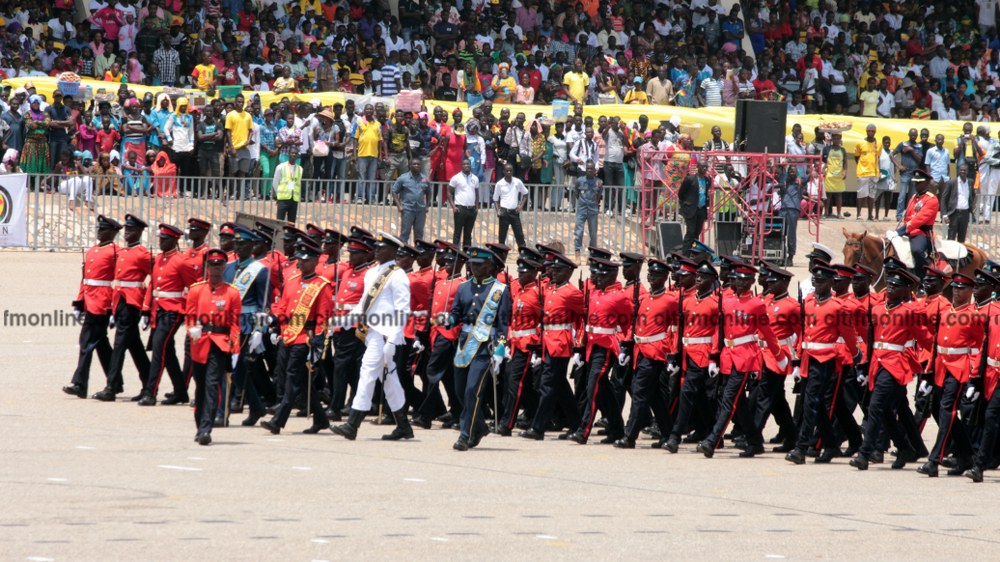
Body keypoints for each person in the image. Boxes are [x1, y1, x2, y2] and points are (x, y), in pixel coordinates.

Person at [331, 232, 414, 441]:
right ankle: (403, 425)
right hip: (372, 332)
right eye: (376, 247)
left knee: (367, 372)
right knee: (389, 380)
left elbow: (402, 310)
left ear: (394, 251)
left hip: (386, 334)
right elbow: (363, 306)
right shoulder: (371, 273)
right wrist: (342, 322)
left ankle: (352, 424)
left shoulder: (398, 275)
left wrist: (394, 340)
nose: (377, 250)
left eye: (382, 247)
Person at [698, 261, 786, 458]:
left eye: (745, 279)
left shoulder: (756, 304)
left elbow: (767, 332)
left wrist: (779, 356)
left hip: (745, 356)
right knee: (740, 403)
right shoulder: (727, 301)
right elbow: (719, 330)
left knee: (729, 399)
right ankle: (754, 442)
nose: (740, 283)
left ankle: (712, 440)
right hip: (728, 356)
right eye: (737, 279)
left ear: (752, 281)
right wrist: (714, 356)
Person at [849, 268, 931, 470]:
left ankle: (865, 453)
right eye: (890, 284)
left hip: (896, 364)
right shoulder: (877, 310)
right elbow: (871, 338)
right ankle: (905, 448)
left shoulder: (909, 313)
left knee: (875, 407)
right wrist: (865, 365)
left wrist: (935, 361)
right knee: (886, 411)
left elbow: (926, 339)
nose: (892, 288)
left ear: (906, 290)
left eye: (897, 285)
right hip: (878, 363)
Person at [784, 264, 860, 465]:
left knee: (811, 403)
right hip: (809, 358)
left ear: (830, 283)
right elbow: (803, 331)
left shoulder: (837, 307)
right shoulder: (809, 303)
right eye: (815, 280)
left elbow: (849, 335)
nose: (816, 284)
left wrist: (855, 356)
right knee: (815, 405)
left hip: (825, 359)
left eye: (821, 281)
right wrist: (798, 357)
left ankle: (801, 448)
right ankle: (831, 444)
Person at [918, 272, 986, 477]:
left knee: (947, 408)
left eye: (962, 288)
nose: (957, 291)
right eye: (954, 288)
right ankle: (966, 455)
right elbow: (936, 343)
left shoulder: (974, 315)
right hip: (941, 367)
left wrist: (975, 376)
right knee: (941, 411)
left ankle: (934, 459)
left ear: (971, 291)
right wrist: (929, 373)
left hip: (960, 367)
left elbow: (980, 346)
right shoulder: (946, 312)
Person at [447, 246, 511, 450]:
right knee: (459, 391)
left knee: (472, 390)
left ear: (490, 266)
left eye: (479, 264)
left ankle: (465, 435)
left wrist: (501, 349)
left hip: (485, 347)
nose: (474, 267)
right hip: (465, 344)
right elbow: (456, 312)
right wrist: (448, 319)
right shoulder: (464, 287)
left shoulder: (500, 290)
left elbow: (502, 323)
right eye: (471, 264)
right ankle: (480, 426)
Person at [520, 251, 583, 440]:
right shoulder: (551, 289)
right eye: (553, 269)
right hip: (548, 341)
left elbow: (583, 316)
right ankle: (576, 424)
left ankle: (538, 428)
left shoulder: (572, 292)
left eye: (558, 270)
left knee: (547, 385)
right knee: (559, 386)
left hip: (560, 342)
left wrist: (579, 342)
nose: (553, 273)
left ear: (568, 272)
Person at [571, 256, 631, 444]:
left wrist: (625, 345)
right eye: (597, 275)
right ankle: (617, 429)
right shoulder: (594, 294)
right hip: (591, 344)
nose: (598, 279)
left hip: (606, 345)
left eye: (603, 276)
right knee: (603, 389)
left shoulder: (620, 296)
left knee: (594, 387)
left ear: (613, 276)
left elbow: (629, 322)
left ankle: (584, 430)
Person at [185, 249, 241, 445]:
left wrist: (235, 349)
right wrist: (191, 328)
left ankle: (206, 429)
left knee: (211, 386)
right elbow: (190, 315)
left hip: (219, 343)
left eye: (219, 266)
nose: (216, 269)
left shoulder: (232, 292)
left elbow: (234, 323)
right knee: (200, 387)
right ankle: (199, 424)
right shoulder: (196, 289)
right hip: (199, 343)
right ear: (207, 267)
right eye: (212, 265)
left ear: (224, 268)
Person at [94, 214, 151, 401]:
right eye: (126, 229)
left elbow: (157, 277)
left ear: (140, 232)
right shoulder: (124, 252)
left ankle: (111, 386)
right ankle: (149, 384)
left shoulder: (143, 253)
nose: (127, 233)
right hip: (120, 301)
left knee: (119, 345)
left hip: (132, 303)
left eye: (131, 230)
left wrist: (147, 304)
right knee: (135, 347)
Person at [62, 215, 119, 399]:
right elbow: (85, 280)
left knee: (86, 342)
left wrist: (113, 309)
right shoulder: (93, 251)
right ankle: (115, 382)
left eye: (103, 229)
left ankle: (80, 383)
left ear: (112, 232)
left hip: (102, 302)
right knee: (101, 345)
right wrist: (79, 302)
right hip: (90, 300)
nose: (99, 232)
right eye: (99, 229)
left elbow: (118, 282)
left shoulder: (115, 252)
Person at [223, 227, 271, 428]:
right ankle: (256, 406)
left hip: (247, 323)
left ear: (251, 246)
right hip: (228, 322)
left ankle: (226, 408)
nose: (238, 247)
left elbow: (264, 304)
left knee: (238, 366)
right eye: (236, 243)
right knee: (235, 367)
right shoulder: (228, 267)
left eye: (242, 243)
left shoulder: (260, 270)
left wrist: (259, 330)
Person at [137, 224, 188, 406]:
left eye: (165, 239)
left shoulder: (181, 261)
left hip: (173, 310)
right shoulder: (158, 259)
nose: (161, 242)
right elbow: (152, 285)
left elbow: (193, 286)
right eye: (160, 238)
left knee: (159, 349)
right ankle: (181, 391)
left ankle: (151, 392)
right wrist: (146, 309)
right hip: (158, 309)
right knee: (168, 351)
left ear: (175, 241)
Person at [498, 253, 543, 436]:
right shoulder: (521, 292)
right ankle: (531, 414)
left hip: (528, 344)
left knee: (515, 382)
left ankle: (507, 423)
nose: (520, 275)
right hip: (516, 342)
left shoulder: (536, 294)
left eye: (524, 273)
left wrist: (538, 347)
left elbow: (544, 321)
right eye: (520, 272)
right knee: (513, 381)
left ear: (533, 274)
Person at [891, 172, 939, 279]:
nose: (916, 185)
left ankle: (922, 279)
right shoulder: (913, 197)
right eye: (915, 183)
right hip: (908, 231)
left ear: (926, 183)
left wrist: (899, 232)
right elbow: (907, 217)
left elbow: (919, 220)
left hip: (921, 233)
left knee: (917, 250)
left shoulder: (931, 199)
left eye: (919, 183)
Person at [391, 159, 430, 244]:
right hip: (407, 209)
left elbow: (428, 193)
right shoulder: (403, 178)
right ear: (410, 166)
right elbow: (394, 191)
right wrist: (399, 206)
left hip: (420, 210)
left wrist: (427, 206)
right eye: (414, 164)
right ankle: (404, 253)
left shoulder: (424, 179)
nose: (416, 166)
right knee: (405, 233)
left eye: (418, 164)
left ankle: (418, 252)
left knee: (419, 234)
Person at [493, 162, 528, 249]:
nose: (509, 172)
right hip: (504, 212)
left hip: (514, 212)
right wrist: (498, 211)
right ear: (504, 172)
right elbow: (495, 199)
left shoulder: (517, 182)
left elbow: (525, 194)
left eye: (510, 171)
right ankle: (501, 257)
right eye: (507, 171)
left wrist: (520, 206)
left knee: (519, 235)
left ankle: (523, 255)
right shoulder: (499, 184)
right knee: (502, 237)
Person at [892, 128, 924, 223]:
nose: (913, 137)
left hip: (914, 174)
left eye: (915, 135)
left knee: (912, 197)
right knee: (902, 196)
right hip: (905, 173)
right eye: (912, 135)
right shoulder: (903, 144)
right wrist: (898, 165)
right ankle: (899, 215)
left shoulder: (919, 146)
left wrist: (911, 150)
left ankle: (909, 215)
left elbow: (919, 160)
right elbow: (892, 155)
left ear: (917, 136)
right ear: (909, 135)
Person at [678, 161, 710, 251]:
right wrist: (685, 205)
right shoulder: (690, 179)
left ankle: (693, 252)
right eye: (702, 167)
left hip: (701, 209)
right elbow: (681, 194)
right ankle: (685, 253)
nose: (704, 169)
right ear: (698, 167)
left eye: (706, 167)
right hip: (691, 209)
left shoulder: (707, 180)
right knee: (690, 232)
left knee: (697, 233)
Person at [572, 162, 602, 256]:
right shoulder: (579, 181)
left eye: (591, 169)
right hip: (582, 209)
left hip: (593, 210)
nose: (589, 170)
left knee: (593, 233)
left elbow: (599, 196)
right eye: (588, 168)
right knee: (579, 231)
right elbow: (576, 193)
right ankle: (577, 253)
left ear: (594, 170)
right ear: (585, 169)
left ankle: (591, 255)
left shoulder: (599, 182)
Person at [448, 158, 479, 248]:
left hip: (471, 209)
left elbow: (476, 193)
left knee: (468, 233)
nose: (466, 166)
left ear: (470, 165)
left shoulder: (475, 178)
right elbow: (449, 192)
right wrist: (453, 207)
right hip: (460, 209)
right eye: (464, 164)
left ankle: (466, 255)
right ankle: (455, 254)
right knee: (457, 233)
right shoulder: (456, 178)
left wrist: (477, 207)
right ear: (461, 166)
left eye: (468, 164)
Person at [940, 164, 975, 243]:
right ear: (958, 171)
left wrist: (971, 207)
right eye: (961, 170)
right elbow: (944, 198)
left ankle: (961, 255)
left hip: (965, 214)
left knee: (962, 239)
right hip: (954, 213)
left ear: (967, 172)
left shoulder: (970, 182)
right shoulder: (951, 182)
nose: (963, 171)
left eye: (964, 170)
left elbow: (973, 195)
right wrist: (944, 214)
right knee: (951, 238)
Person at [778, 166, 803, 266]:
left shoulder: (799, 183)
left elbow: (808, 176)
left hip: (793, 209)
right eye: (790, 171)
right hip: (783, 209)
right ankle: (781, 254)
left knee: (791, 234)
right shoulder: (785, 183)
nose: (791, 172)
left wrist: (800, 177)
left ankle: (790, 256)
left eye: (794, 171)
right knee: (779, 233)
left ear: (797, 173)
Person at [854, 124, 880, 221]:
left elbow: (878, 157)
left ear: (875, 132)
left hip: (874, 173)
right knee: (861, 195)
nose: (871, 132)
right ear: (866, 131)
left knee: (871, 195)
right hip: (863, 172)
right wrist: (861, 166)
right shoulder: (860, 143)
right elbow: (856, 156)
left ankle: (870, 215)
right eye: (869, 130)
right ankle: (858, 214)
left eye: (873, 131)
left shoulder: (878, 144)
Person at [822, 133, 847, 218]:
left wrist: (845, 171)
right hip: (829, 174)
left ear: (840, 140)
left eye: (838, 138)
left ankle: (839, 213)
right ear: (832, 139)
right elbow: (823, 161)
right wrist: (823, 170)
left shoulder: (843, 150)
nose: (836, 140)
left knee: (839, 195)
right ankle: (826, 213)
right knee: (828, 195)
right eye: (834, 138)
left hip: (839, 175)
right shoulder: (826, 149)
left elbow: (845, 162)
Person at [273, 157, 303, 222]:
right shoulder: (281, 167)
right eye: (292, 153)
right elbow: (275, 182)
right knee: (279, 223)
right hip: (283, 199)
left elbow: (298, 183)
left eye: (295, 153)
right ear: (289, 154)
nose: (293, 155)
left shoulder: (300, 169)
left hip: (294, 199)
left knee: (291, 224)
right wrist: (278, 195)